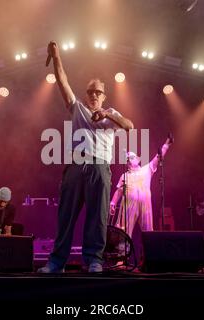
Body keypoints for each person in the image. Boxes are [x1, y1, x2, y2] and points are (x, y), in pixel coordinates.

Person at [38, 41, 134, 273]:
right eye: (90, 91)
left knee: (97, 217)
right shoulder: (77, 107)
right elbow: (62, 81)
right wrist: (57, 56)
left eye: (97, 92)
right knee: (66, 215)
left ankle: (94, 260)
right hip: (76, 164)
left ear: (104, 95)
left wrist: (109, 116)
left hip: (100, 167)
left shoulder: (112, 114)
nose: (93, 95)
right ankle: (56, 262)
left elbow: (129, 125)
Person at [110, 136, 172, 238]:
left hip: (145, 204)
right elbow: (119, 191)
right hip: (129, 205)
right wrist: (113, 202)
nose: (133, 159)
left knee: (148, 230)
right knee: (124, 231)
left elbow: (158, 157)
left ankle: (149, 252)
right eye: (130, 158)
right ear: (128, 162)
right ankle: (123, 252)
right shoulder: (125, 176)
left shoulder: (146, 169)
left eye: (134, 157)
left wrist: (166, 144)